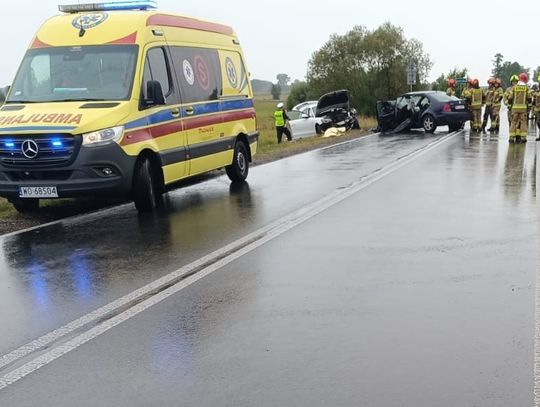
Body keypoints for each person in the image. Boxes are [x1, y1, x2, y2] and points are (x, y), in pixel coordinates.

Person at [506, 73, 531, 143]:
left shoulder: (514, 87)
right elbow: (529, 98)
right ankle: (523, 138)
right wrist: (529, 106)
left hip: (514, 108)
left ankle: (511, 137)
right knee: (523, 122)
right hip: (523, 109)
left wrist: (510, 105)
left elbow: (510, 98)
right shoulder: (526, 88)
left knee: (513, 122)